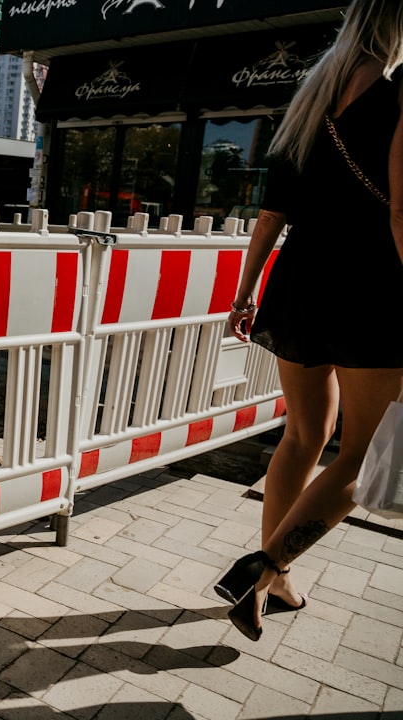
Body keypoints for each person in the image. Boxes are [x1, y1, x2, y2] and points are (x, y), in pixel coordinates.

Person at [216, 0, 403, 642]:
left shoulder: (307, 100)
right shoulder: (399, 95)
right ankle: (264, 566)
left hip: (299, 282)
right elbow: (402, 216)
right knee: (363, 456)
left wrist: (245, 293)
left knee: (302, 435)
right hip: (374, 288)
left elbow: (271, 215)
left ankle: (276, 578)